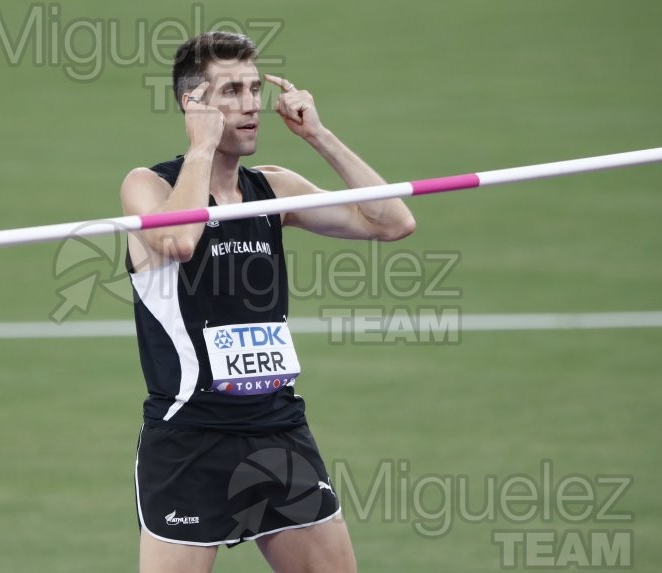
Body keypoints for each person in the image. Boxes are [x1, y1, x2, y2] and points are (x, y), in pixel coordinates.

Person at [121, 31, 415, 573]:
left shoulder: (273, 190)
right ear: (194, 104)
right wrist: (202, 147)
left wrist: (319, 137)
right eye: (230, 91)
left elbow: (394, 221)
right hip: (189, 439)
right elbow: (182, 242)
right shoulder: (148, 188)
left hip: (276, 432)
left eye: (254, 88)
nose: (251, 104)